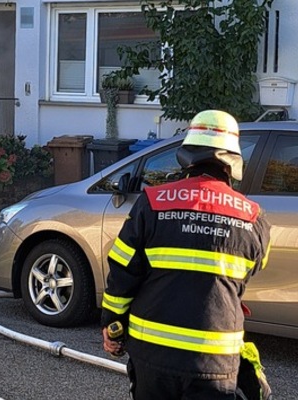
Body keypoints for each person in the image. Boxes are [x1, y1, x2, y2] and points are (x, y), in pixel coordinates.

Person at [100, 109, 272, 399]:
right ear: (233, 161)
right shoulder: (254, 218)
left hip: (152, 355)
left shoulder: (151, 203)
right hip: (215, 361)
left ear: (186, 155)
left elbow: (122, 271)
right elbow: (251, 270)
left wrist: (113, 326)